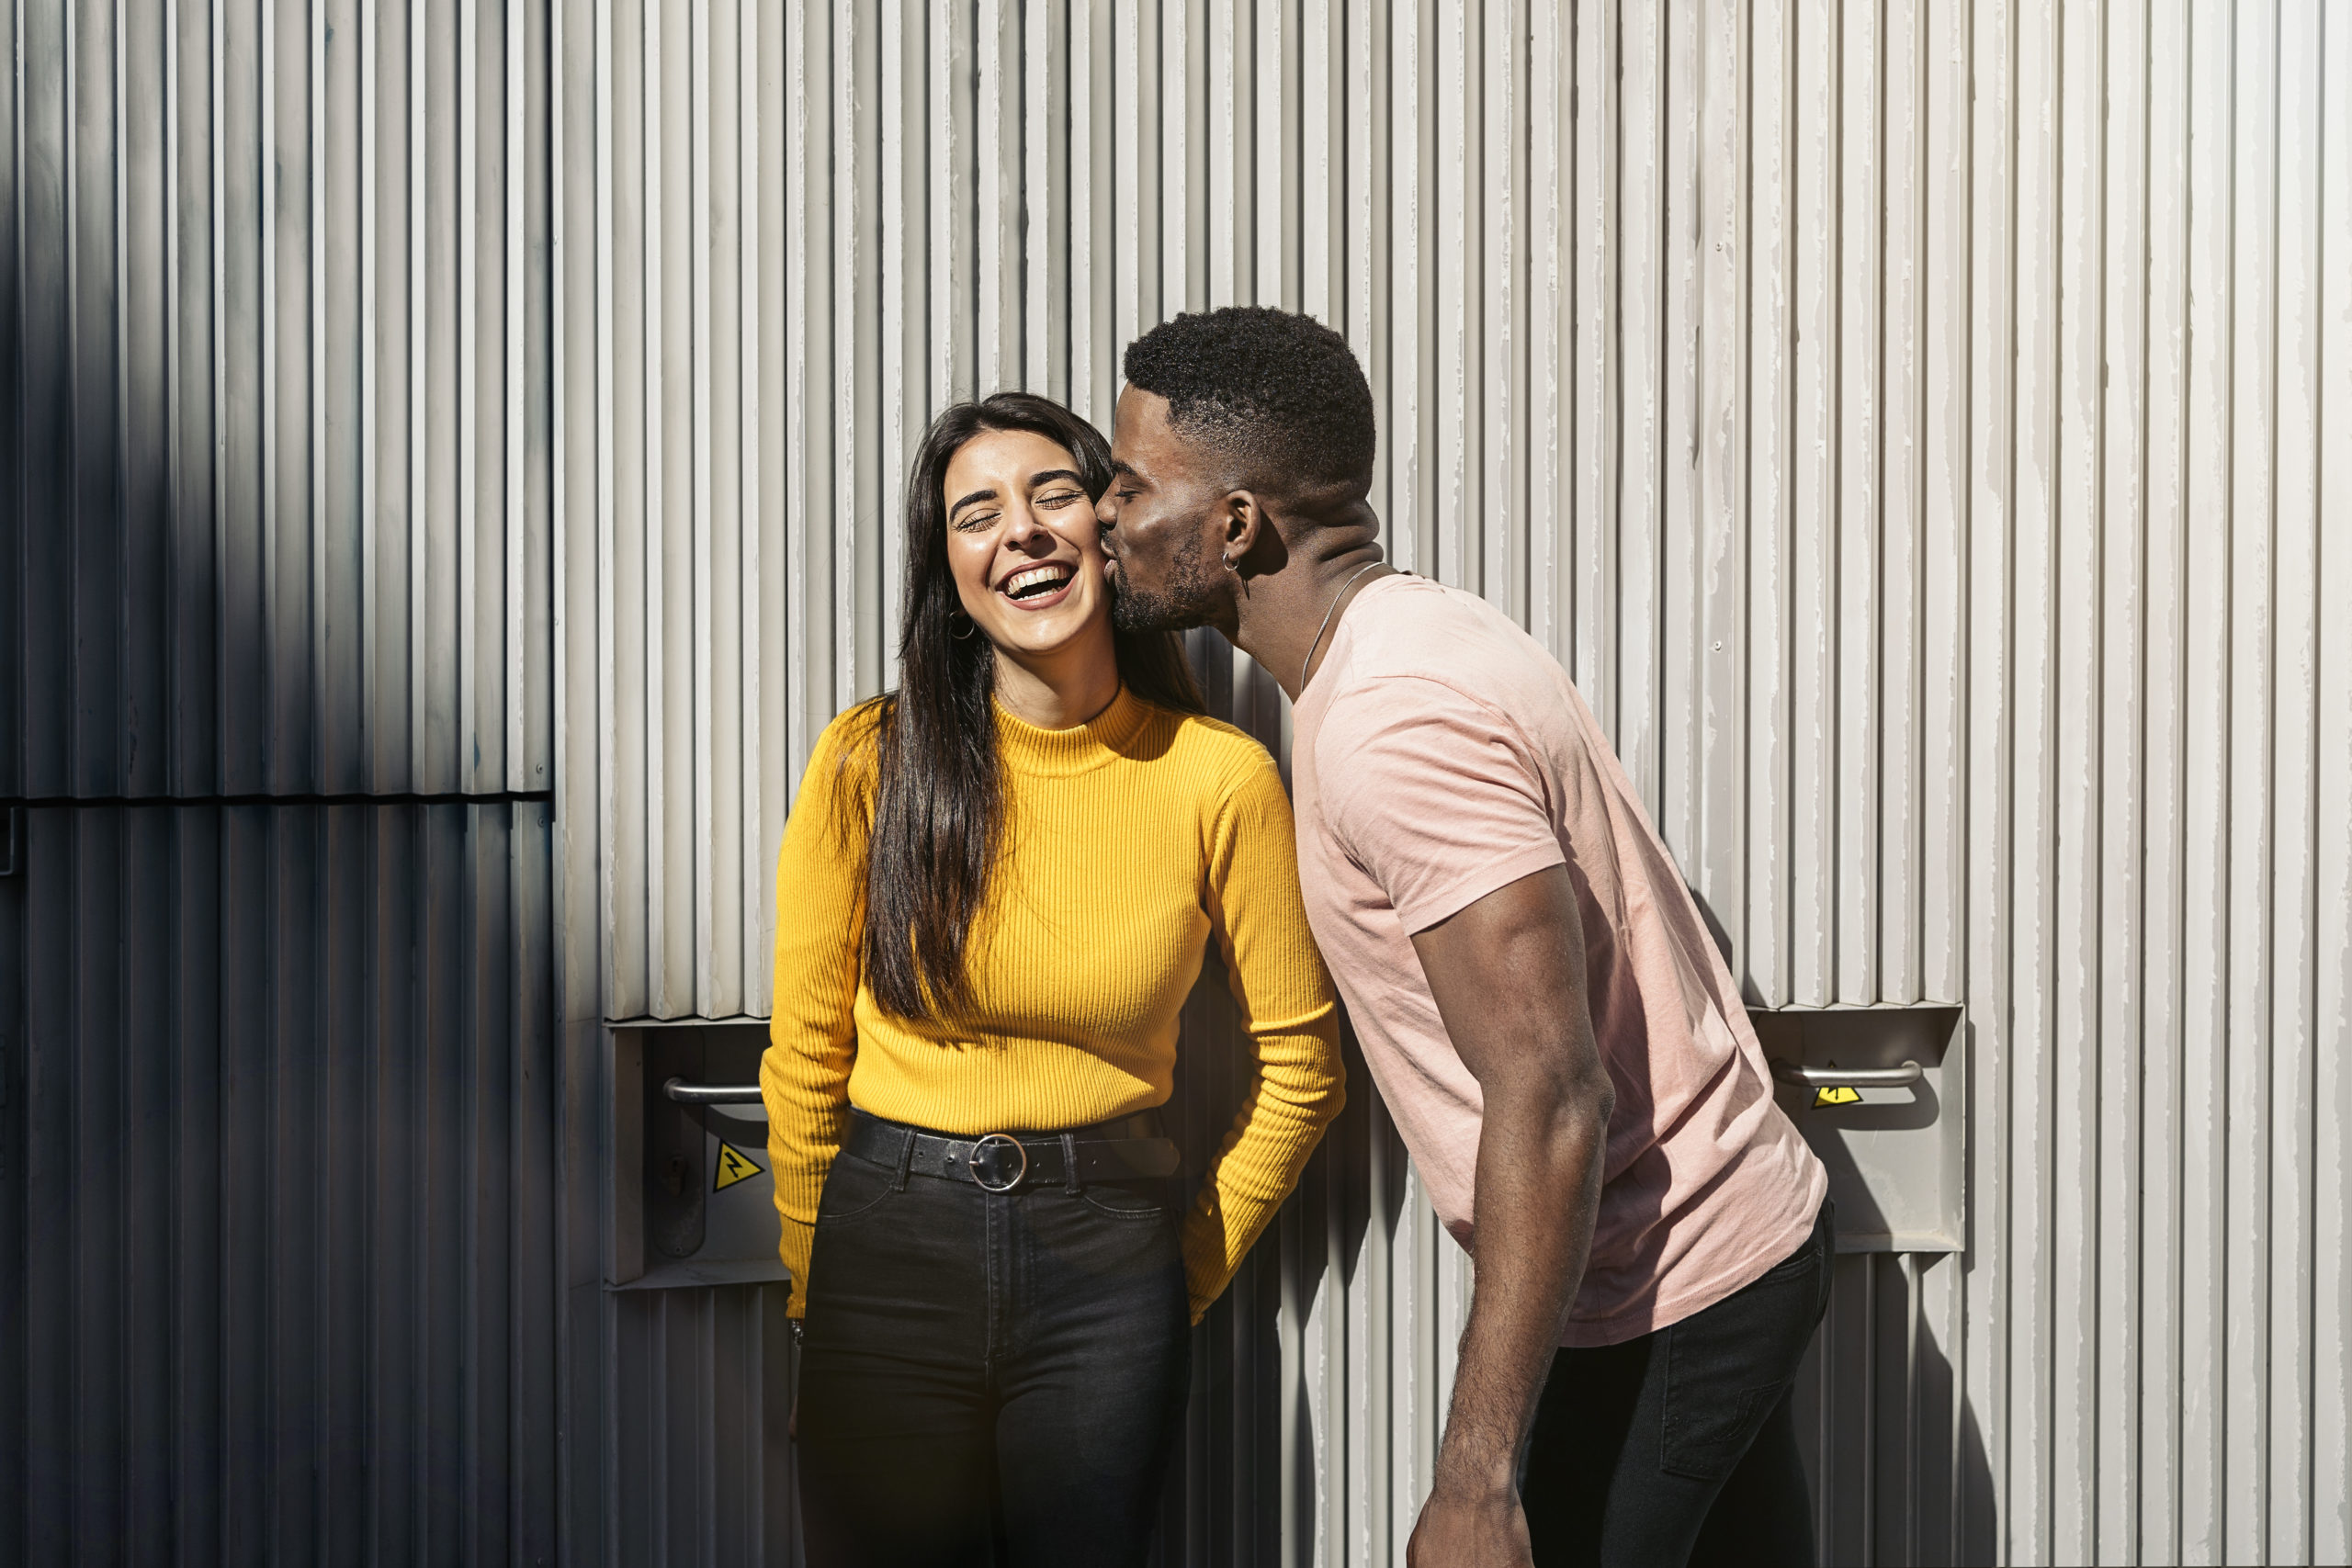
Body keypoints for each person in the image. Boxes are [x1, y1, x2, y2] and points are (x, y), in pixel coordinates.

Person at [1096, 308, 1832, 1568]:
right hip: (1712, 1258)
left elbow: (1548, 1087)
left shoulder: (1389, 721)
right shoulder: (1420, 631)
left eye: (1129, 485)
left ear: (1234, 524)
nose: (1104, 516)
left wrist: (1476, 1479)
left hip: (1677, 1288)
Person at [760, 390, 1346, 1568]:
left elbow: (1304, 1069)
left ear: (1110, 529)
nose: (1019, 530)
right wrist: (819, 1274)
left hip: (1109, 1261)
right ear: (952, 577)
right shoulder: (868, 761)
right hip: (885, 1248)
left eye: (1053, 495)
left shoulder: (1214, 779)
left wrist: (1172, 1277)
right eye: (974, 514)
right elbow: (806, 1052)